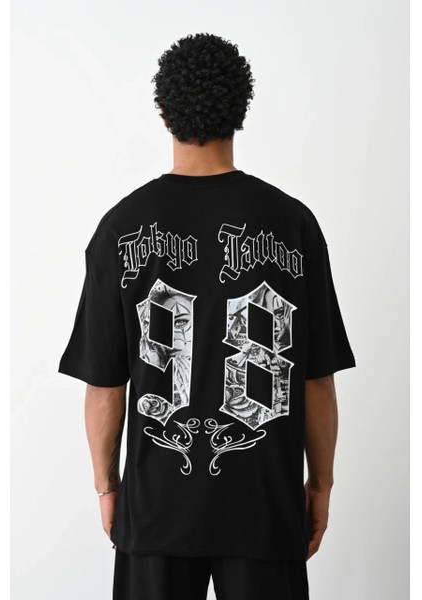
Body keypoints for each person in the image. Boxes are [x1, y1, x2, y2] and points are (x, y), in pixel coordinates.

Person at [58, 32, 356, 600]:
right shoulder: (294, 224)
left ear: (163, 112)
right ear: (241, 110)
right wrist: (321, 484)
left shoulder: (120, 227)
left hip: (157, 507)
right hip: (264, 505)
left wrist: (107, 487)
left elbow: (104, 384)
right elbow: (316, 380)